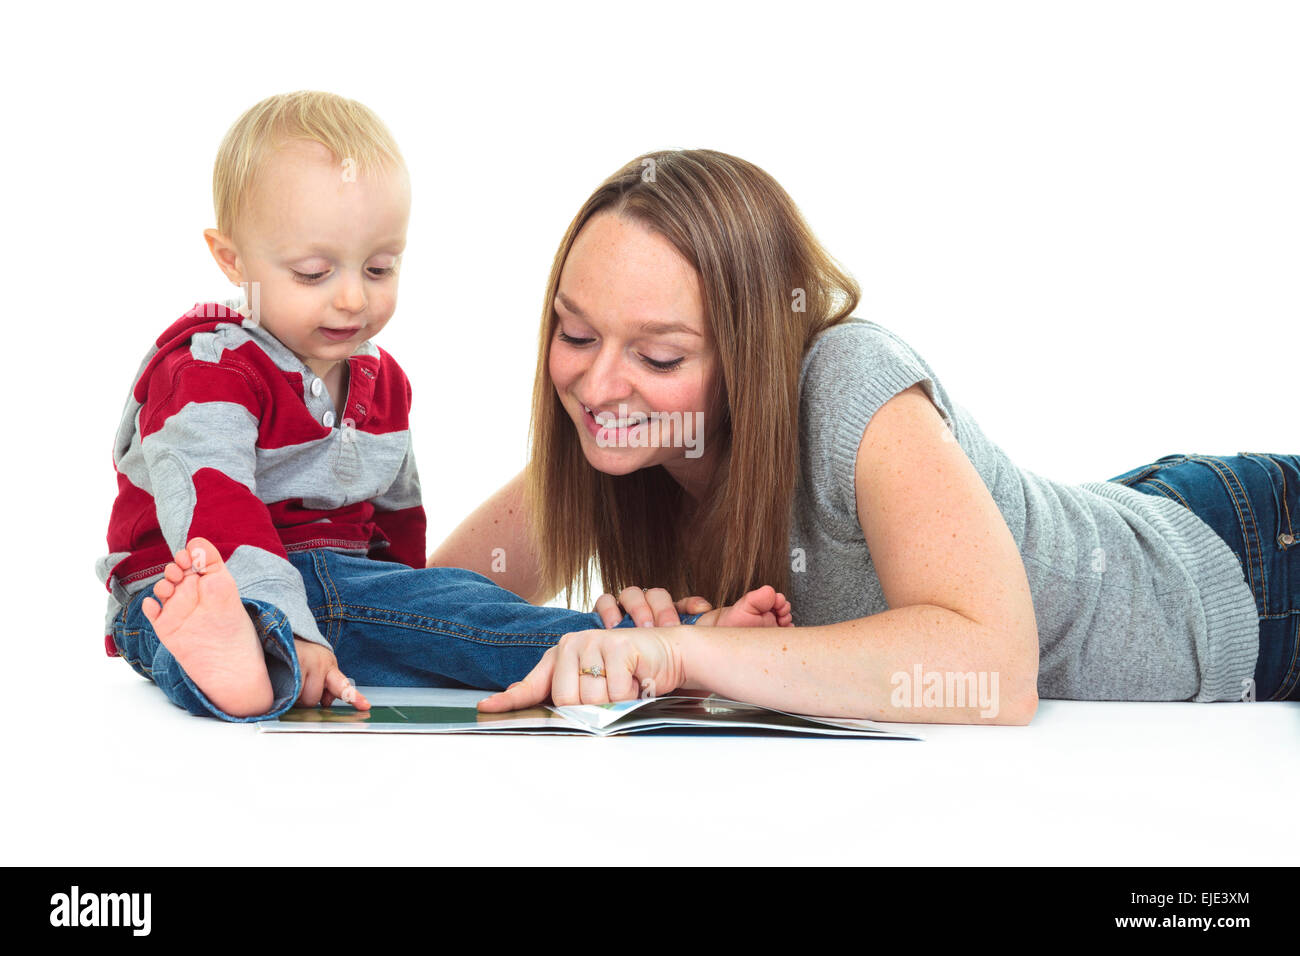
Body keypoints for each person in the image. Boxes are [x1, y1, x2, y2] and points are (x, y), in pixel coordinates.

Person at [437, 148, 1300, 723]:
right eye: (576, 335)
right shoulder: (620, 433)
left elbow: (994, 668)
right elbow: (417, 610)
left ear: (754, 357)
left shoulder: (852, 382)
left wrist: (680, 653)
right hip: (1135, 522)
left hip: (1254, 566)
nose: (597, 385)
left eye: (659, 355)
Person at [94, 95, 791, 723]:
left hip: (339, 596)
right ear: (230, 258)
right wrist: (281, 622)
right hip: (188, 584)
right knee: (180, 631)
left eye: (378, 268)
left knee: (462, 612)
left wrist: (408, 598)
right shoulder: (209, 368)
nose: (352, 300)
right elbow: (213, 510)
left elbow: (398, 516)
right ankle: (245, 665)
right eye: (314, 273)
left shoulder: (381, 380)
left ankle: (656, 655)